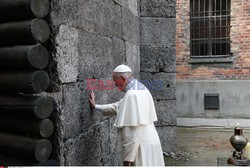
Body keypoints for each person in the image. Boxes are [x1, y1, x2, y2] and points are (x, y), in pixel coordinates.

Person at [89, 64, 165, 166]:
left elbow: (132, 133)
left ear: (123, 79)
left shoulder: (131, 95)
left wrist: (127, 161)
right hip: (151, 141)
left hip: (139, 148)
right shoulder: (140, 87)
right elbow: (118, 106)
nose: (116, 86)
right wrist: (95, 106)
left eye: (116, 83)